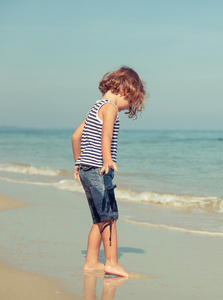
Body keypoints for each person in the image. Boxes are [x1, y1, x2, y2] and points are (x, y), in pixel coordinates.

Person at [72, 66, 146, 277]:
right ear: (125, 89)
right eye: (130, 102)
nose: (127, 107)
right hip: (98, 168)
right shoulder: (110, 107)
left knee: (100, 219)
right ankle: (111, 262)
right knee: (110, 217)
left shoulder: (95, 107)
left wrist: (78, 162)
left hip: (87, 168)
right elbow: (106, 137)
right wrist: (107, 159)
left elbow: (75, 137)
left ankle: (91, 262)